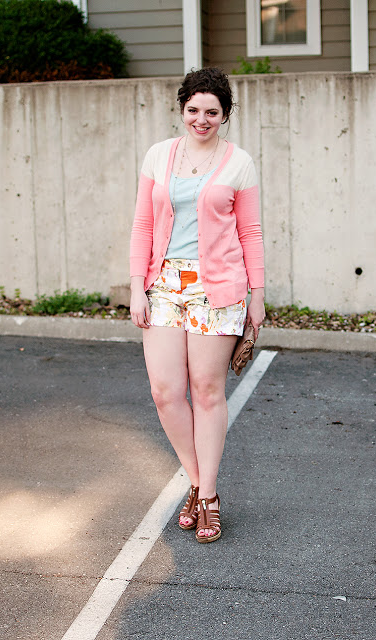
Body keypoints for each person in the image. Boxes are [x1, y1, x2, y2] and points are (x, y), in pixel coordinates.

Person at [129, 67, 265, 543]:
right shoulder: (159, 156)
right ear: (182, 109)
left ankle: (207, 496)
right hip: (164, 284)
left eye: (212, 111)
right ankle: (196, 479)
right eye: (194, 110)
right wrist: (135, 286)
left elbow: (249, 232)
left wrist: (258, 297)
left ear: (225, 115)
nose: (201, 119)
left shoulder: (238, 163)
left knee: (207, 391)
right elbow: (143, 225)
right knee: (166, 393)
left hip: (219, 287)